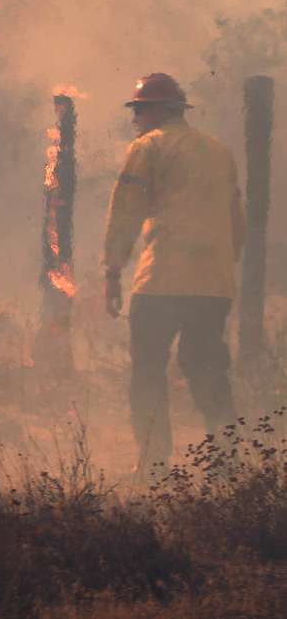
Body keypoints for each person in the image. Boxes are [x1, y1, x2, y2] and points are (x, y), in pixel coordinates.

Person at [102, 72, 247, 477]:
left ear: (157, 111)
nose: (135, 119)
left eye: (139, 110)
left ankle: (153, 463)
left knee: (148, 370)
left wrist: (112, 270)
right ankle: (227, 463)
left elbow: (126, 211)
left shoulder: (148, 147)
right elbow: (236, 219)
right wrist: (224, 265)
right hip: (213, 284)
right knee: (207, 369)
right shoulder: (219, 151)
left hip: (162, 280)